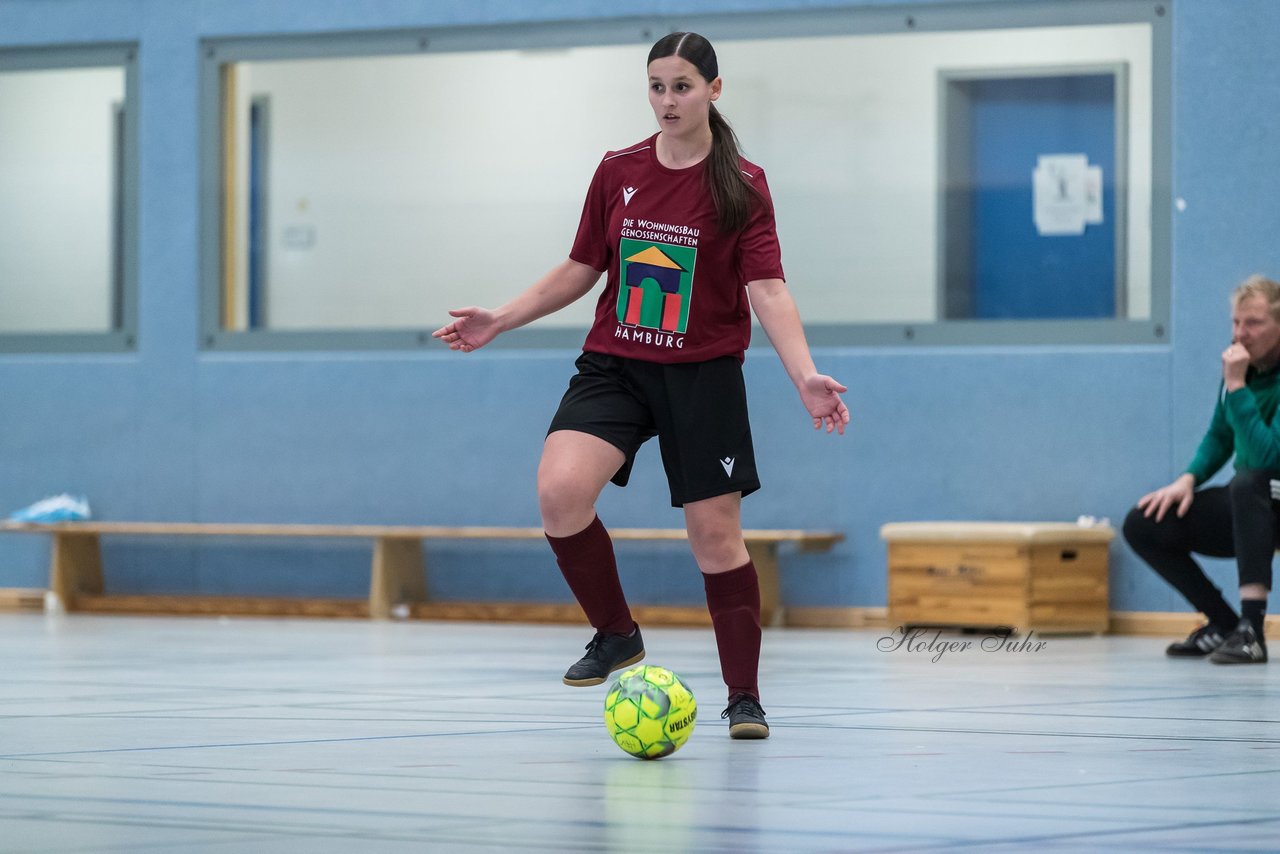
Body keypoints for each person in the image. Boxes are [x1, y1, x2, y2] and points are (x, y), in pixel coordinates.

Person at [432, 32, 849, 737]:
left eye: (681, 86)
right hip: (617, 365)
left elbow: (768, 289)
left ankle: (743, 696)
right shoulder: (618, 169)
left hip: (704, 373)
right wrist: (500, 318)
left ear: (714, 89)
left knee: (715, 537)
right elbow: (579, 267)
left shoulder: (743, 185)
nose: (666, 101)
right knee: (559, 492)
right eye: (656, 86)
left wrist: (804, 374)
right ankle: (616, 633)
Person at [1123, 274, 1280, 665]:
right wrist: (1187, 480)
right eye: (1236, 323)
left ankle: (1252, 629)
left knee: (1249, 484)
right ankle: (1224, 622)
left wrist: (1237, 385)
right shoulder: (1242, 373)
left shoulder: (1239, 378)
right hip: (1254, 504)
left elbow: (1266, 457)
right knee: (1146, 523)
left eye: (1254, 323)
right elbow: (1219, 436)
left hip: (1270, 494)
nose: (1241, 334)